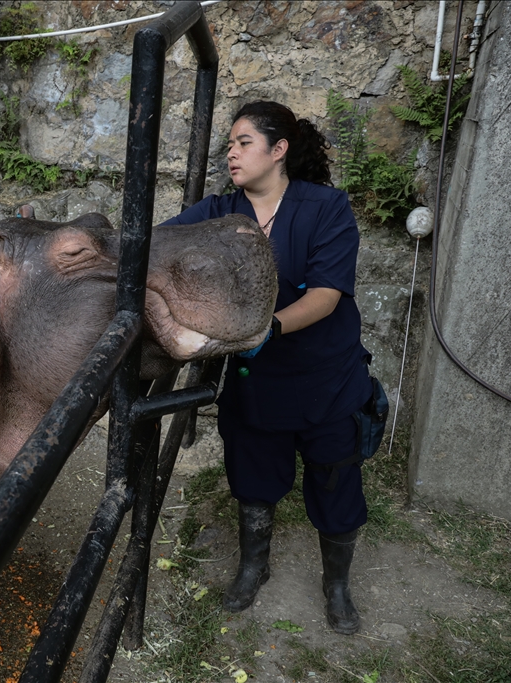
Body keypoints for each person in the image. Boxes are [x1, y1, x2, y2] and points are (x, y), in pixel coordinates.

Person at [160, 101, 374, 635]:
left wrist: (267, 329)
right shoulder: (218, 212)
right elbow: (154, 242)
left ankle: (337, 584)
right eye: (229, 144)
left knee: (334, 475)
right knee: (254, 475)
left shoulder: (325, 208)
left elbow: (326, 295)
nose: (231, 152)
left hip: (327, 376)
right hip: (256, 381)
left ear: (279, 150)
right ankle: (254, 565)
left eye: (244, 142)